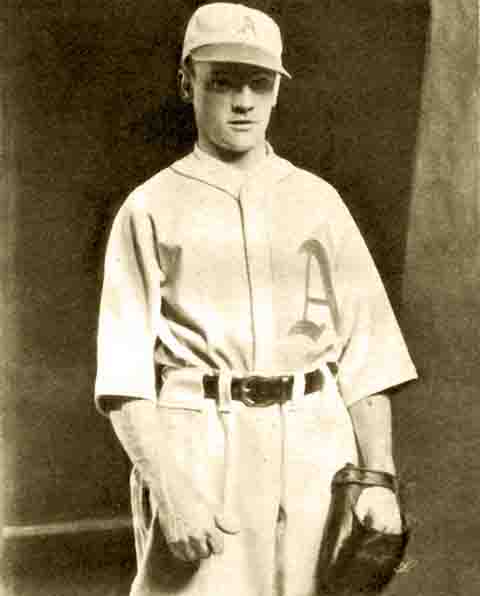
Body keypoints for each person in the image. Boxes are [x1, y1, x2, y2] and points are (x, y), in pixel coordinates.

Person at [95, 3, 418, 595]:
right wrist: (169, 491)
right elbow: (123, 381)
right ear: (187, 83)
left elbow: (368, 354)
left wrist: (379, 478)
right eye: (223, 82)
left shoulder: (319, 201)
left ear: (276, 90)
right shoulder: (149, 207)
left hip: (316, 445)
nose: (243, 101)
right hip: (201, 444)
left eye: (259, 83)